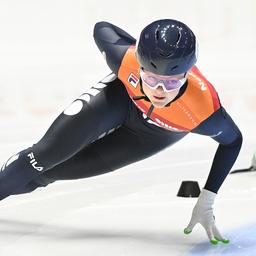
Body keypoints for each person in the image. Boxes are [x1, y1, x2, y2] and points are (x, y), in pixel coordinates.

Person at [0, 19, 242, 245]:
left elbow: (233, 142)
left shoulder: (203, 110)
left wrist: (208, 198)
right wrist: (135, 50)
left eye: (171, 82)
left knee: (50, 174)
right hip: (120, 98)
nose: (159, 90)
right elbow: (102, 27)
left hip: (153, 135)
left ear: (187, 74)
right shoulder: (124, 60)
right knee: (45, 156)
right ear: (140, 65)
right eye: (150, 77)